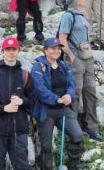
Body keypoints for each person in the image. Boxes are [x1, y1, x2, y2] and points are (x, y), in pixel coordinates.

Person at [0, 36, 35, 170]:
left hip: (19, 130)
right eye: (8, 49)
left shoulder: (25, 75)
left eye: (14, 49)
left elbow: (34, 102)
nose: (11, 52)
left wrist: (22, 101)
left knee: (22, 166)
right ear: (2, 52)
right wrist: (5, 108)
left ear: (18, 51)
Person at [58, 0, 104, 142]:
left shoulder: (81, 15)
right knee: (76, 91)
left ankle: (92, 127)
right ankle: (74, 128)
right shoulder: (68, 16)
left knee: (90, 91)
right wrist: (71, 56)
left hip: (87, 56)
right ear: (76, 1)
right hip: (76, 58)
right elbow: (62, 38)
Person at [31, 37, 85, 170]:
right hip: (46, 111)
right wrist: (56, 99)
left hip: (63, 109)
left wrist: (68, 95)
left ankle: (74, 164)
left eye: (58, 48)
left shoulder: (63, 65)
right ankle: (47, 167)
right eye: (53, 48)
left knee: (77, 135)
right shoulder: (38, 67)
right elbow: (40, 89)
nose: (56, 51)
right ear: (45, 50)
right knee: (46, 146)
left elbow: (72, 84)